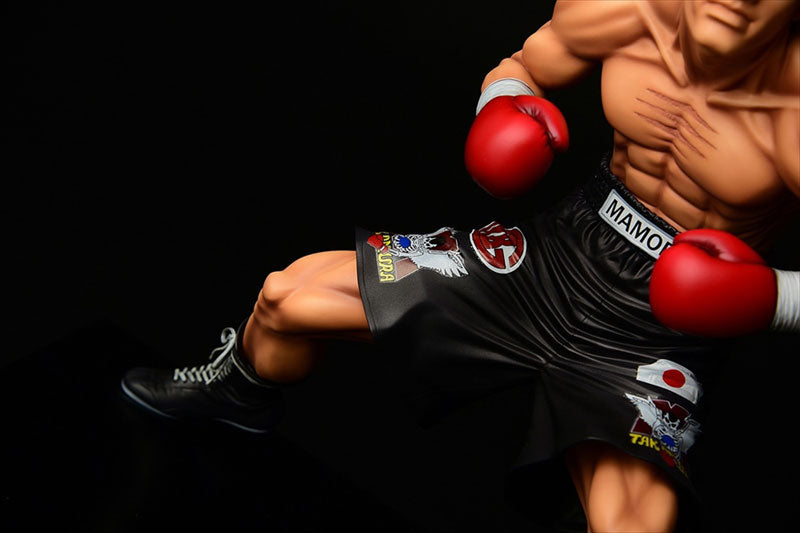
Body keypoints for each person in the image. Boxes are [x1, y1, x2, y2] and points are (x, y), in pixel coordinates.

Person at [121, 1, 799, 531]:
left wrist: (768, 300)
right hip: (553, 255)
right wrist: (502, 107)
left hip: (658, 330)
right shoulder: (627, 12)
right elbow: (521, 65)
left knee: (635, 526)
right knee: (286, 298)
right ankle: (237, 391)